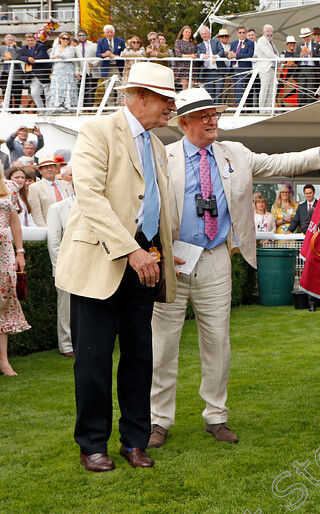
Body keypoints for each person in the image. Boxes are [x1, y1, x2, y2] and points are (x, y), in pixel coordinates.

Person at [148, 87, 320, 448]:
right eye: (205, 116)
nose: (214, 120)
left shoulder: (236, 153)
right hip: (174, 262)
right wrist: (157, 251)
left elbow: (280, 164)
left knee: (218, 343)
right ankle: (158, 421)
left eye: (215, 114)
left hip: (216, 259)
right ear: (184, 123)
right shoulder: (161, 157)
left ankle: (216, 416)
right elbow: (143, 207)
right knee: (162, 345)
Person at [54, 62, 179, 472]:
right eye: (165, 98)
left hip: (145, 264)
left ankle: (134, 442)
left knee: (140, 355)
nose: (171, 107)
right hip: (101, 264)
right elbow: (89, 197)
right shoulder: (97, 130)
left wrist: (163, 248)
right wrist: (132, 250)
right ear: (139, 96)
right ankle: (92, 445)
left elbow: (153, 206)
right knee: (92, 358)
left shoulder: (158, 146)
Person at [0, 177, 29, 376]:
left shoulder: (9, 186)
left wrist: (20, 252)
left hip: (4, 254)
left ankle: (4, 361)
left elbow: (14, 220)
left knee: (3, 303)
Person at [47, 171, 75, 358]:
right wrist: (60, 270)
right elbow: (54, 243)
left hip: (91, 267)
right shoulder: (58, 208)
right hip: (66, 268)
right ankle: (67, 345)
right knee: (66, 307)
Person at [28, 158, 72, 227]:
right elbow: (36, 215)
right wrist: (45, 230)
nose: (49, 169)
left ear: (56, 169)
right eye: (46, 168)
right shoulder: (35, 187)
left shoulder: (66, 185)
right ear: (40, 171)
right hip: (50, 228)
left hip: (69, 226)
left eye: (51, 166)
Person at [17, 33, 50, 110]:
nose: (30, 42)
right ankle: (42, 110)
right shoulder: (24, 47)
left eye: (31, 40)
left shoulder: (41, 46)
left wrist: (32, 59)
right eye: (28, 40)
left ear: (35, 40)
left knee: (48, 94)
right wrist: (28, 59)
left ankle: (49, 110)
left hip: (43, 74)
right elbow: (19, 56)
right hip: (32, 75)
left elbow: (42, 56)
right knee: (34, 93)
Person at [47, 32, 78, 112]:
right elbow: (51, 56)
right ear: (60, 39)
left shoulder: (71, 48)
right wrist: (57, 56)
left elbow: (69, 56)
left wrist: (58, 56)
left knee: (68, 87)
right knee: (57, 88)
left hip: (67, 70)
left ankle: (68, 107)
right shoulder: (55, 47)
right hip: (57, 70)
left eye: (67, 39)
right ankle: (56, 107)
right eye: (63, 38)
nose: (65, 40)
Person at [228, 26, 255, 108]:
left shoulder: (250, 43)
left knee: (240, 85)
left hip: (244, 68)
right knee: (236, 87)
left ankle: (239, 104)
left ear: (246, 33)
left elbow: (249, 55)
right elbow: (229, 54)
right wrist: (229, 55)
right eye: (240, 32)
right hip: (234, 68)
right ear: (237, 34)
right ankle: (240, 104)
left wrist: (236, 55)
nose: (242, 34)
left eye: (243, 32)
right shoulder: (234, 43)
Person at [255, 24, 280, 112]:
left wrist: (279, 60)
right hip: (265, 68)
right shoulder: (262, 40)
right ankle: (262, 110)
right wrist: (279, 59)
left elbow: (275, 53)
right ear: (263, 32)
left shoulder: (271, 42)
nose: (269, 34)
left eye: (271, 32)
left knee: (271, 90)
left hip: (272, 69)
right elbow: (268, 53)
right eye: (267, 32)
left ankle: (269, 110)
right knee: (264, 89)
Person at [196, 26, 225, 102]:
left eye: (206, 33)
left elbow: (222, 51)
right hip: (207, 72)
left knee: (219, 92)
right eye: (202, 34)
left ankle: (218, 111)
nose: (204, 35)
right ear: (201, 35)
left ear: (209, 34)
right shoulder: (199, 46)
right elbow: (198, 54)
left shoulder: (216, 41)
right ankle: (212, 111)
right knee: (210, 93)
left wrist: (217, 56)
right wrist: (203, 56)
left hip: (218, 71)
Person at [295, 27, 320, 105]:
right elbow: (295, 58)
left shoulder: (316, 45)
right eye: (304, 37)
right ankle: (301, 108)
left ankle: (309, 108)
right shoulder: (299, 46)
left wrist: (311, 54)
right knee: (301, 90)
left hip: (312, 69)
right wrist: (300, 56)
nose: (306, 38)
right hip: (301, 70)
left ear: (310, 36)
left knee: (310, 90)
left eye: (307, 36)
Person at [75, 30, 99, 109]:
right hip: (82, 72)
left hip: (92, 71)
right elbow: (76, 62)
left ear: (87, 36)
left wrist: (94, 63)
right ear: (77, 37)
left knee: (91, 91)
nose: (82, 37)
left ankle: (88, 109)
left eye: (84, 35)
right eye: (80, 35)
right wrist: (77, 72)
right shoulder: (76, 48)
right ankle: (82, 108)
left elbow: (99, 57)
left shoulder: (94, 46)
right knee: (82, 91)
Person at [173, 26, 197, 91]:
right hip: (183, 67)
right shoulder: (178, 42)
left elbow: (196, 54)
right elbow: (178, 54)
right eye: (186, 32)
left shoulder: (193, 43)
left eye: (189, 32)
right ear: (182, 32)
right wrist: (190, 56)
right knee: (185, 89)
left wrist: (194, 56)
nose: (188, 33)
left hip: (192, 67)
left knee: (192, 89)